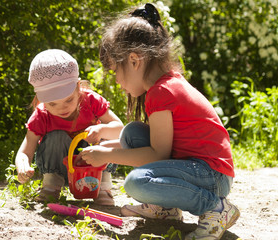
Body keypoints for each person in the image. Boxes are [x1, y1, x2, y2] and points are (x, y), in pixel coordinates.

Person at [80, 3, 240, 239]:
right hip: (202, 169)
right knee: (132, 133)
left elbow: (158, 155)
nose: (115, 81)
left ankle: (215, 208)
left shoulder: (161, 92)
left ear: (134, 60)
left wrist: (106, 156)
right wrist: (106, 148)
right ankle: (164, 209)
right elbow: (157, 146)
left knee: (136, 183)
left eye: (115, 70)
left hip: (211, 176)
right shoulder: (165, 84)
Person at [15, 49, 123, 206]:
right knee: (56, 136)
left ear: (78, 87)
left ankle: (102, 187)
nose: (62, 108)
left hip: (92, 168)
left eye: (68, 100)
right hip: (60, 169)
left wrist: (101, 130)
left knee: (105, 134)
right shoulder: (42, 115)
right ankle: (51, 186)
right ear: (40, 99)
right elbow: (25, 150)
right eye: (52, 104)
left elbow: (119, 129)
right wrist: (23, 166)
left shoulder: (91, 101)